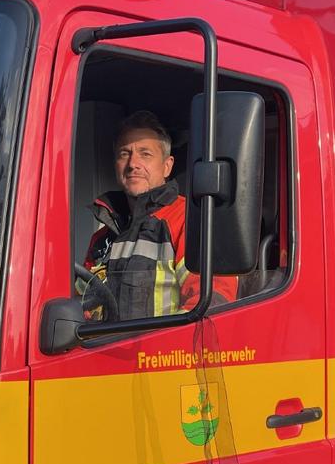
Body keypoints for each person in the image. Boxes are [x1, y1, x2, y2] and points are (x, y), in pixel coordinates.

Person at [82, 110, 237, 320]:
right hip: (102, 343)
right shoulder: (102, 238)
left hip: (164, 343)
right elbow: (81, 305)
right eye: (124, 153)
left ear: (167, 166)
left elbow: (209, 305)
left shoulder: (191, 221)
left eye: (145, 154)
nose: (133, 164)